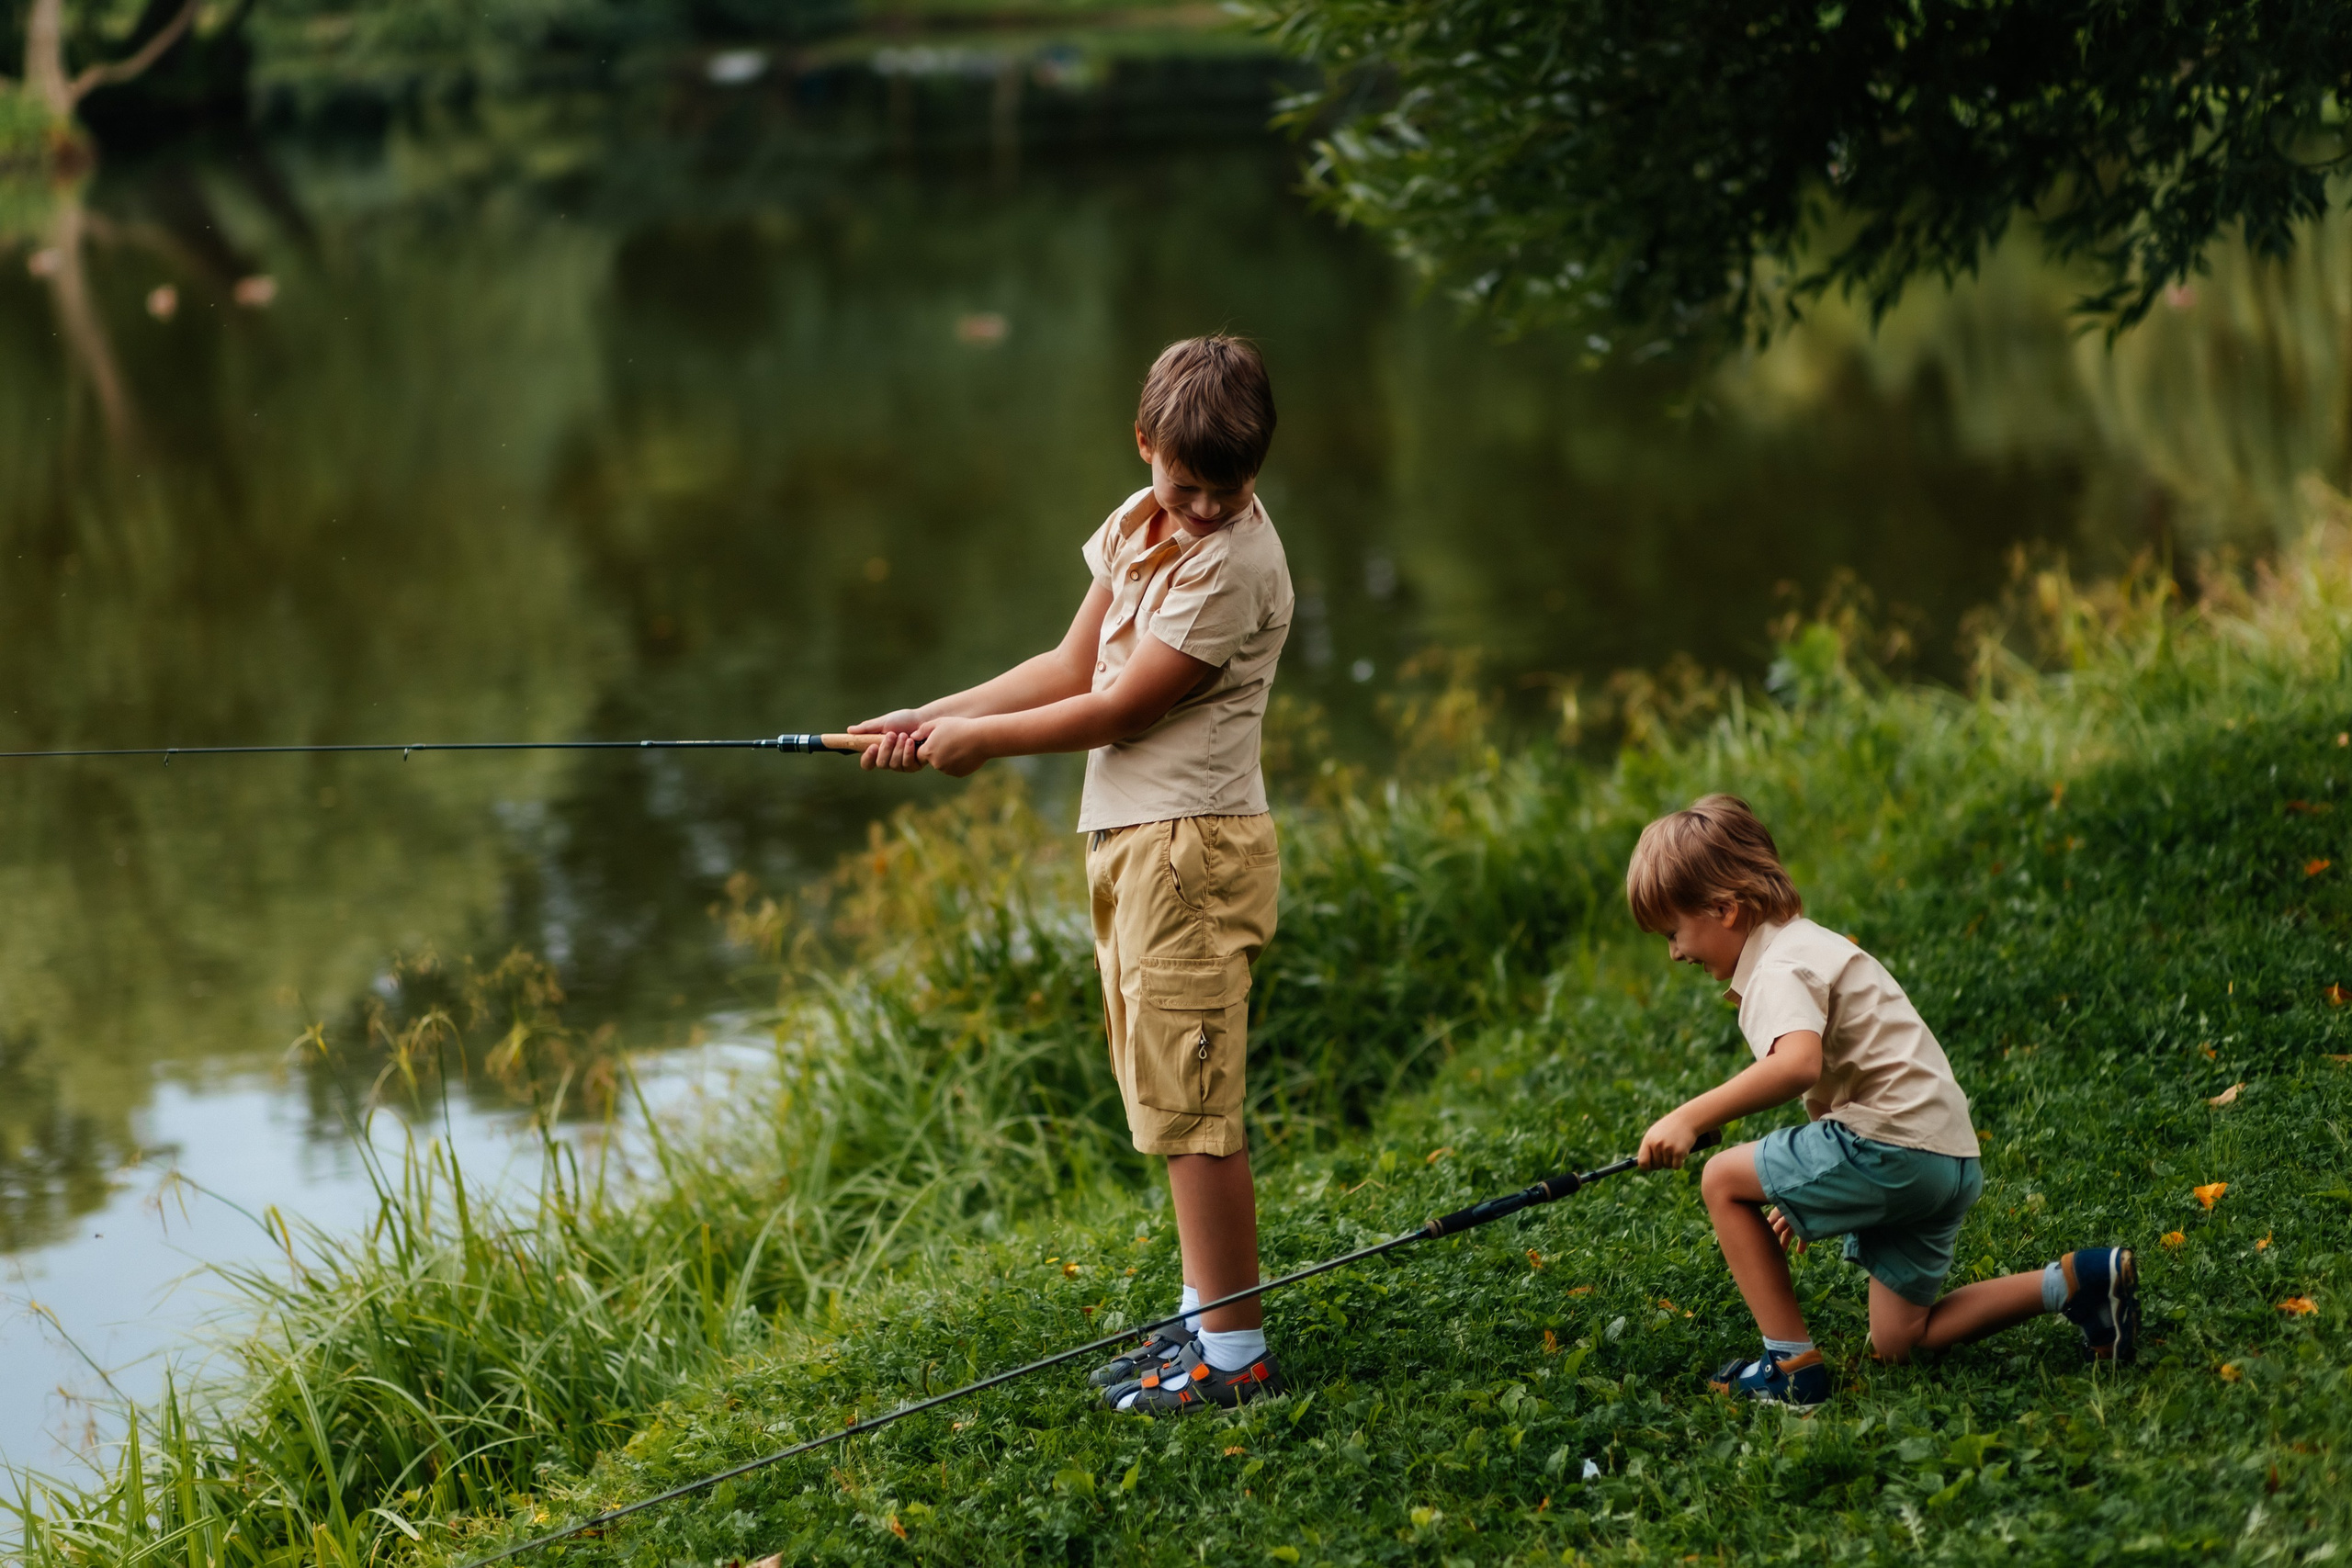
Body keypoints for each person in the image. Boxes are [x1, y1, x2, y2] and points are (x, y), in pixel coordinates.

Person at [850, 334, 1295, 1414]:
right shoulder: (1141, 526)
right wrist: (936, 714)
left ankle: (1234, 1361)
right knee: (1164, 1091)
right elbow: (1065, 665)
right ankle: (1203, 1322)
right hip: (1138, 847)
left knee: (1193, 1109)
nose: (1197, 512)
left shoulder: (1231, 567)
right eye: (1180, 487)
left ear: (1253, 473)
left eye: (1221, 494)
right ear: (1143, 445)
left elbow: (1119, 707)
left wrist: (983, 748)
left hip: (1191, 854)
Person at [1625, 794, 2138, 1408]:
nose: (1675, 951)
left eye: (1674, 932)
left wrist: (1690, 1116)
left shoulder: (1776, 969)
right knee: (1902, 1339)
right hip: (1947, 1156)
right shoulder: (1811, 943)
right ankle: (2077, 1284)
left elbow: (1796, 1066)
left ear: (1724, 908)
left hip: (1890, 1146)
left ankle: (1791, 1368)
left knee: (1721, 1179)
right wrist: (1809, 1182)